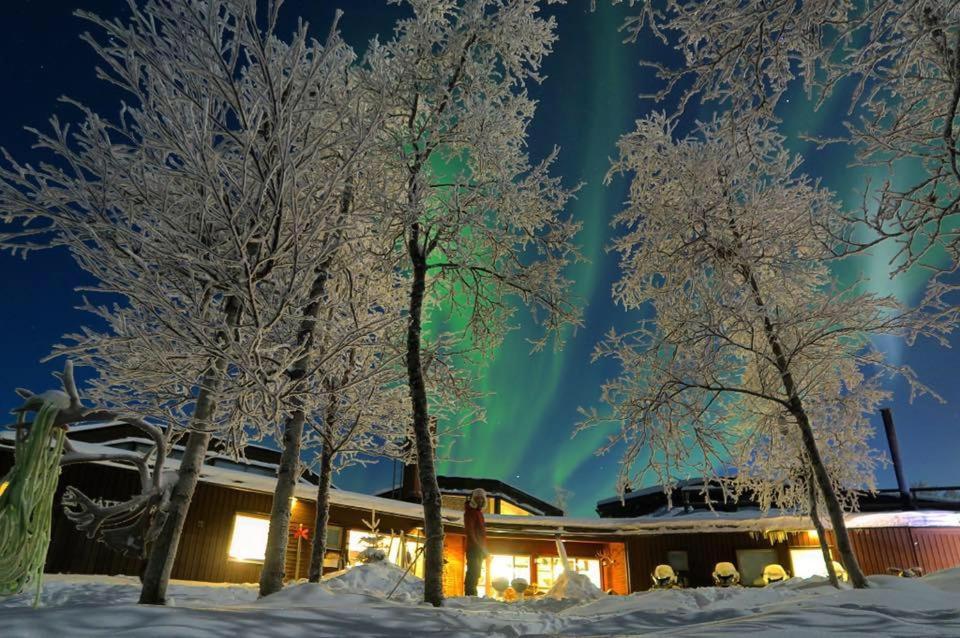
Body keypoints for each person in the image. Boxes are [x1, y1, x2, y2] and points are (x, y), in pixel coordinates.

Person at [463, 488, 488, 596]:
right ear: (473, 499)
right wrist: (477, 546)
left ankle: (472, 593)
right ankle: (470, 594)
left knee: (476, 572)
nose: (480, 500)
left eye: (482, 498)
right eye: (477, 498)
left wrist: (484, 549)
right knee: (473, 571)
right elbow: (470, 530)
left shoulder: (479, 513)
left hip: (479, 548)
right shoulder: (470, 512)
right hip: (474, 547)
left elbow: (481, 534)